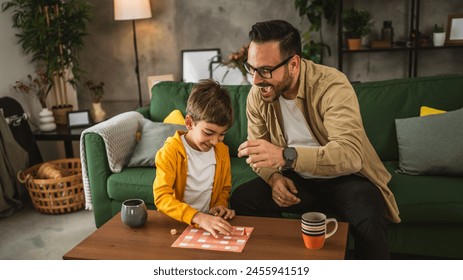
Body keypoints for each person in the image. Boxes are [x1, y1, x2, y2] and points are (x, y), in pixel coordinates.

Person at [229, 19, 400, 259]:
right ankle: (283, 262)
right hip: (297, 179)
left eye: (265, 70)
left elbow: (350, 156)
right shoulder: (258, 95)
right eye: (252, 69)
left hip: (346, 178)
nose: (256, 80)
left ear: (294, 64)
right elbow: (259, 153)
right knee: (242, 200)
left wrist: (285, 156)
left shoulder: (331, 85)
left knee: (370, 217)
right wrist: (275, 178)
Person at [153, 79, 235, 238]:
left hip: (207, 225)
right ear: (189, 123)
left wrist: (220, 205)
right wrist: (198, 217)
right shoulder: (170, 151)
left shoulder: (222, 151)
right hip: (177, 225)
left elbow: (224, 189)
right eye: (208, 133)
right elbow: (162, 197)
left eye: (222, 134)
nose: (214, 141)